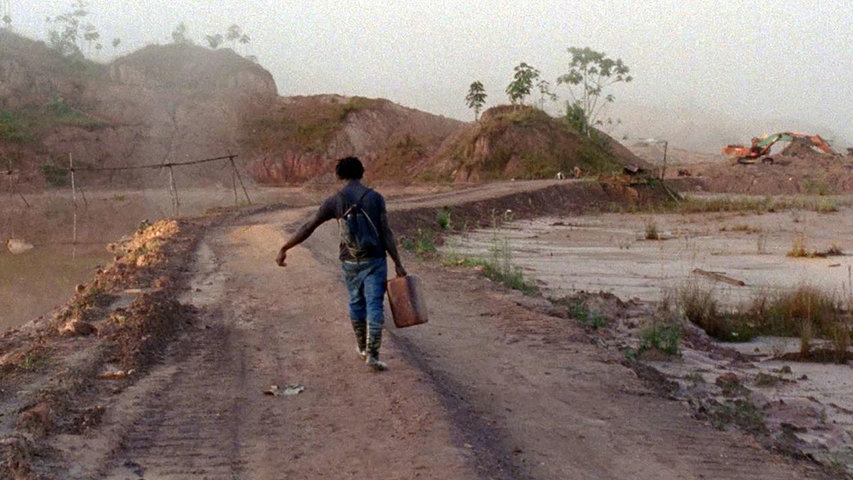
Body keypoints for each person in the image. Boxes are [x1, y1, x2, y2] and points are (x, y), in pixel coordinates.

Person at [275, 156, 406, 371]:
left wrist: (285, 248)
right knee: (374, 303)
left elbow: (308, 227)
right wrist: (398, 263)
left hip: (350, 261)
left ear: (339, 175)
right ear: (362, 172)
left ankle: (361, 348)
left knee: (356, 302)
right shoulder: (375, 198)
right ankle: (373, 354)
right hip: (375, 259)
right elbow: (386, 232)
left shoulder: (334, 200)